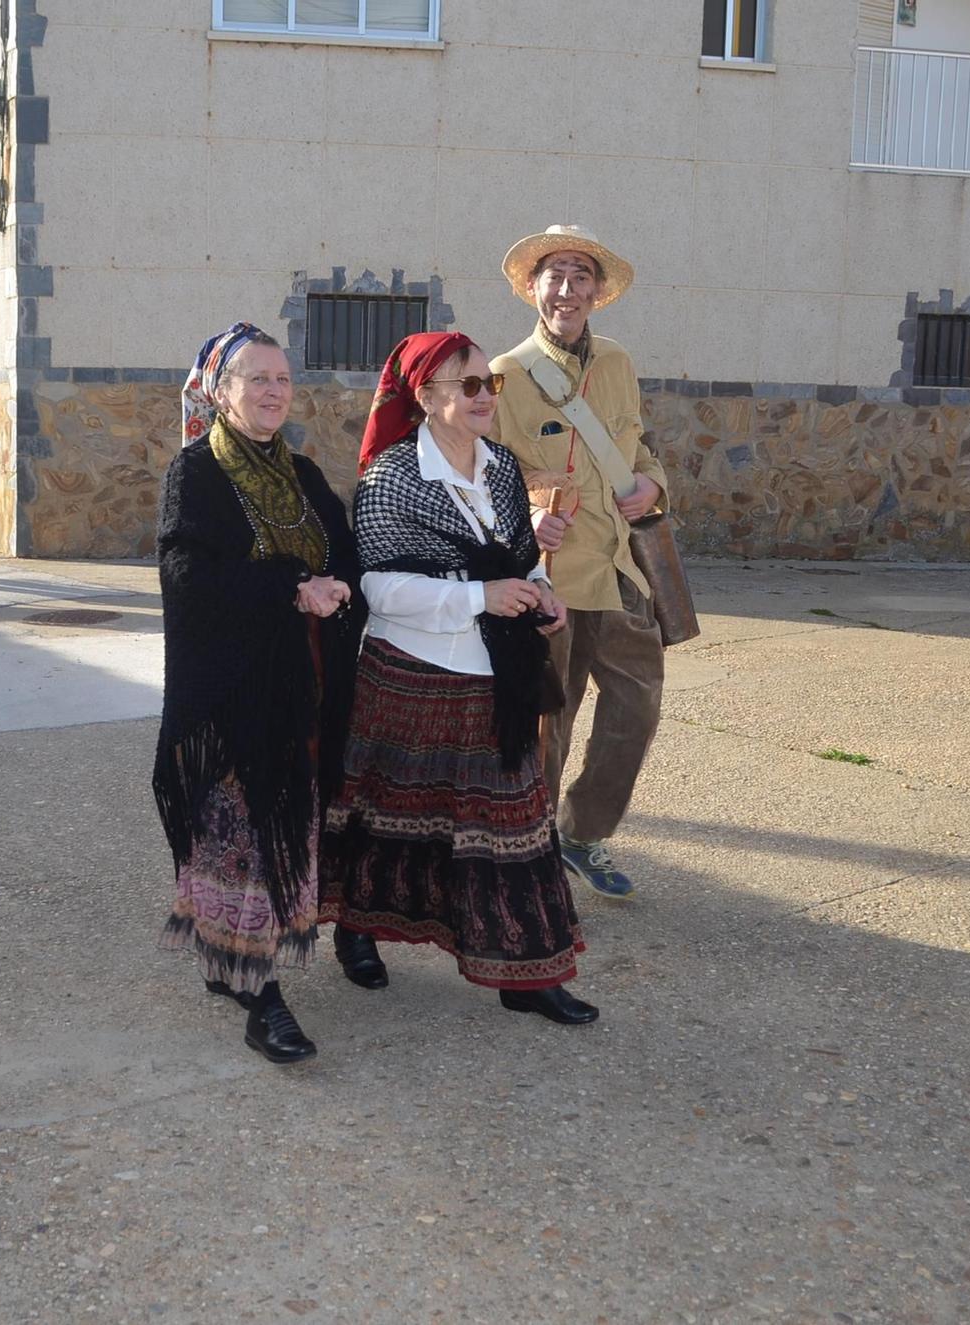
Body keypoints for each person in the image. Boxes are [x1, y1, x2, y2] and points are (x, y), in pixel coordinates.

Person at [320, 331, 597, 1025]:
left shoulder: (501, 466)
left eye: (488, 384)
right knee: (385, 817)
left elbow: (516, 555)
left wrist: (540, 591)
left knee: (515, 828)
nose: (483, 397)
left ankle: (524, 973)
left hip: (497, 680)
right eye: (467, 385)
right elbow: (378, 588)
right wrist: (481, 598)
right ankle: (357, 930)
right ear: (424, 396)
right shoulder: (390, 476)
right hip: (410, 678)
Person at [153, 322, 365, 1065]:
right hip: (237, 690)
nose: (274, 391)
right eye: (257, 379)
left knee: (279, 822)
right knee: (245, 829)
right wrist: (288, 587)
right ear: (221, 391)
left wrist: (337, 583)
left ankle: (228, 957)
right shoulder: (197, 473)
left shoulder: (301, 474)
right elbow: (186, 578)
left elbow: (341, 544)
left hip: (301, 685)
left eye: (282, 379)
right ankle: (259, 993)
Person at [489, 225, 663, 902]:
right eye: (554, 275)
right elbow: (490, 471)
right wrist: (529, 511)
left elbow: (638, 447)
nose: (566, 289)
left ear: (596, 291)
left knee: (636, 709)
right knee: (547, 724)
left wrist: (654, 484)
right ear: (532, 287)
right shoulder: (503, 374)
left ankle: (582, 833)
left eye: (579, 276)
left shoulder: (617, 362)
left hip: (620, 569)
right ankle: (530, 849)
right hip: (551, 577)